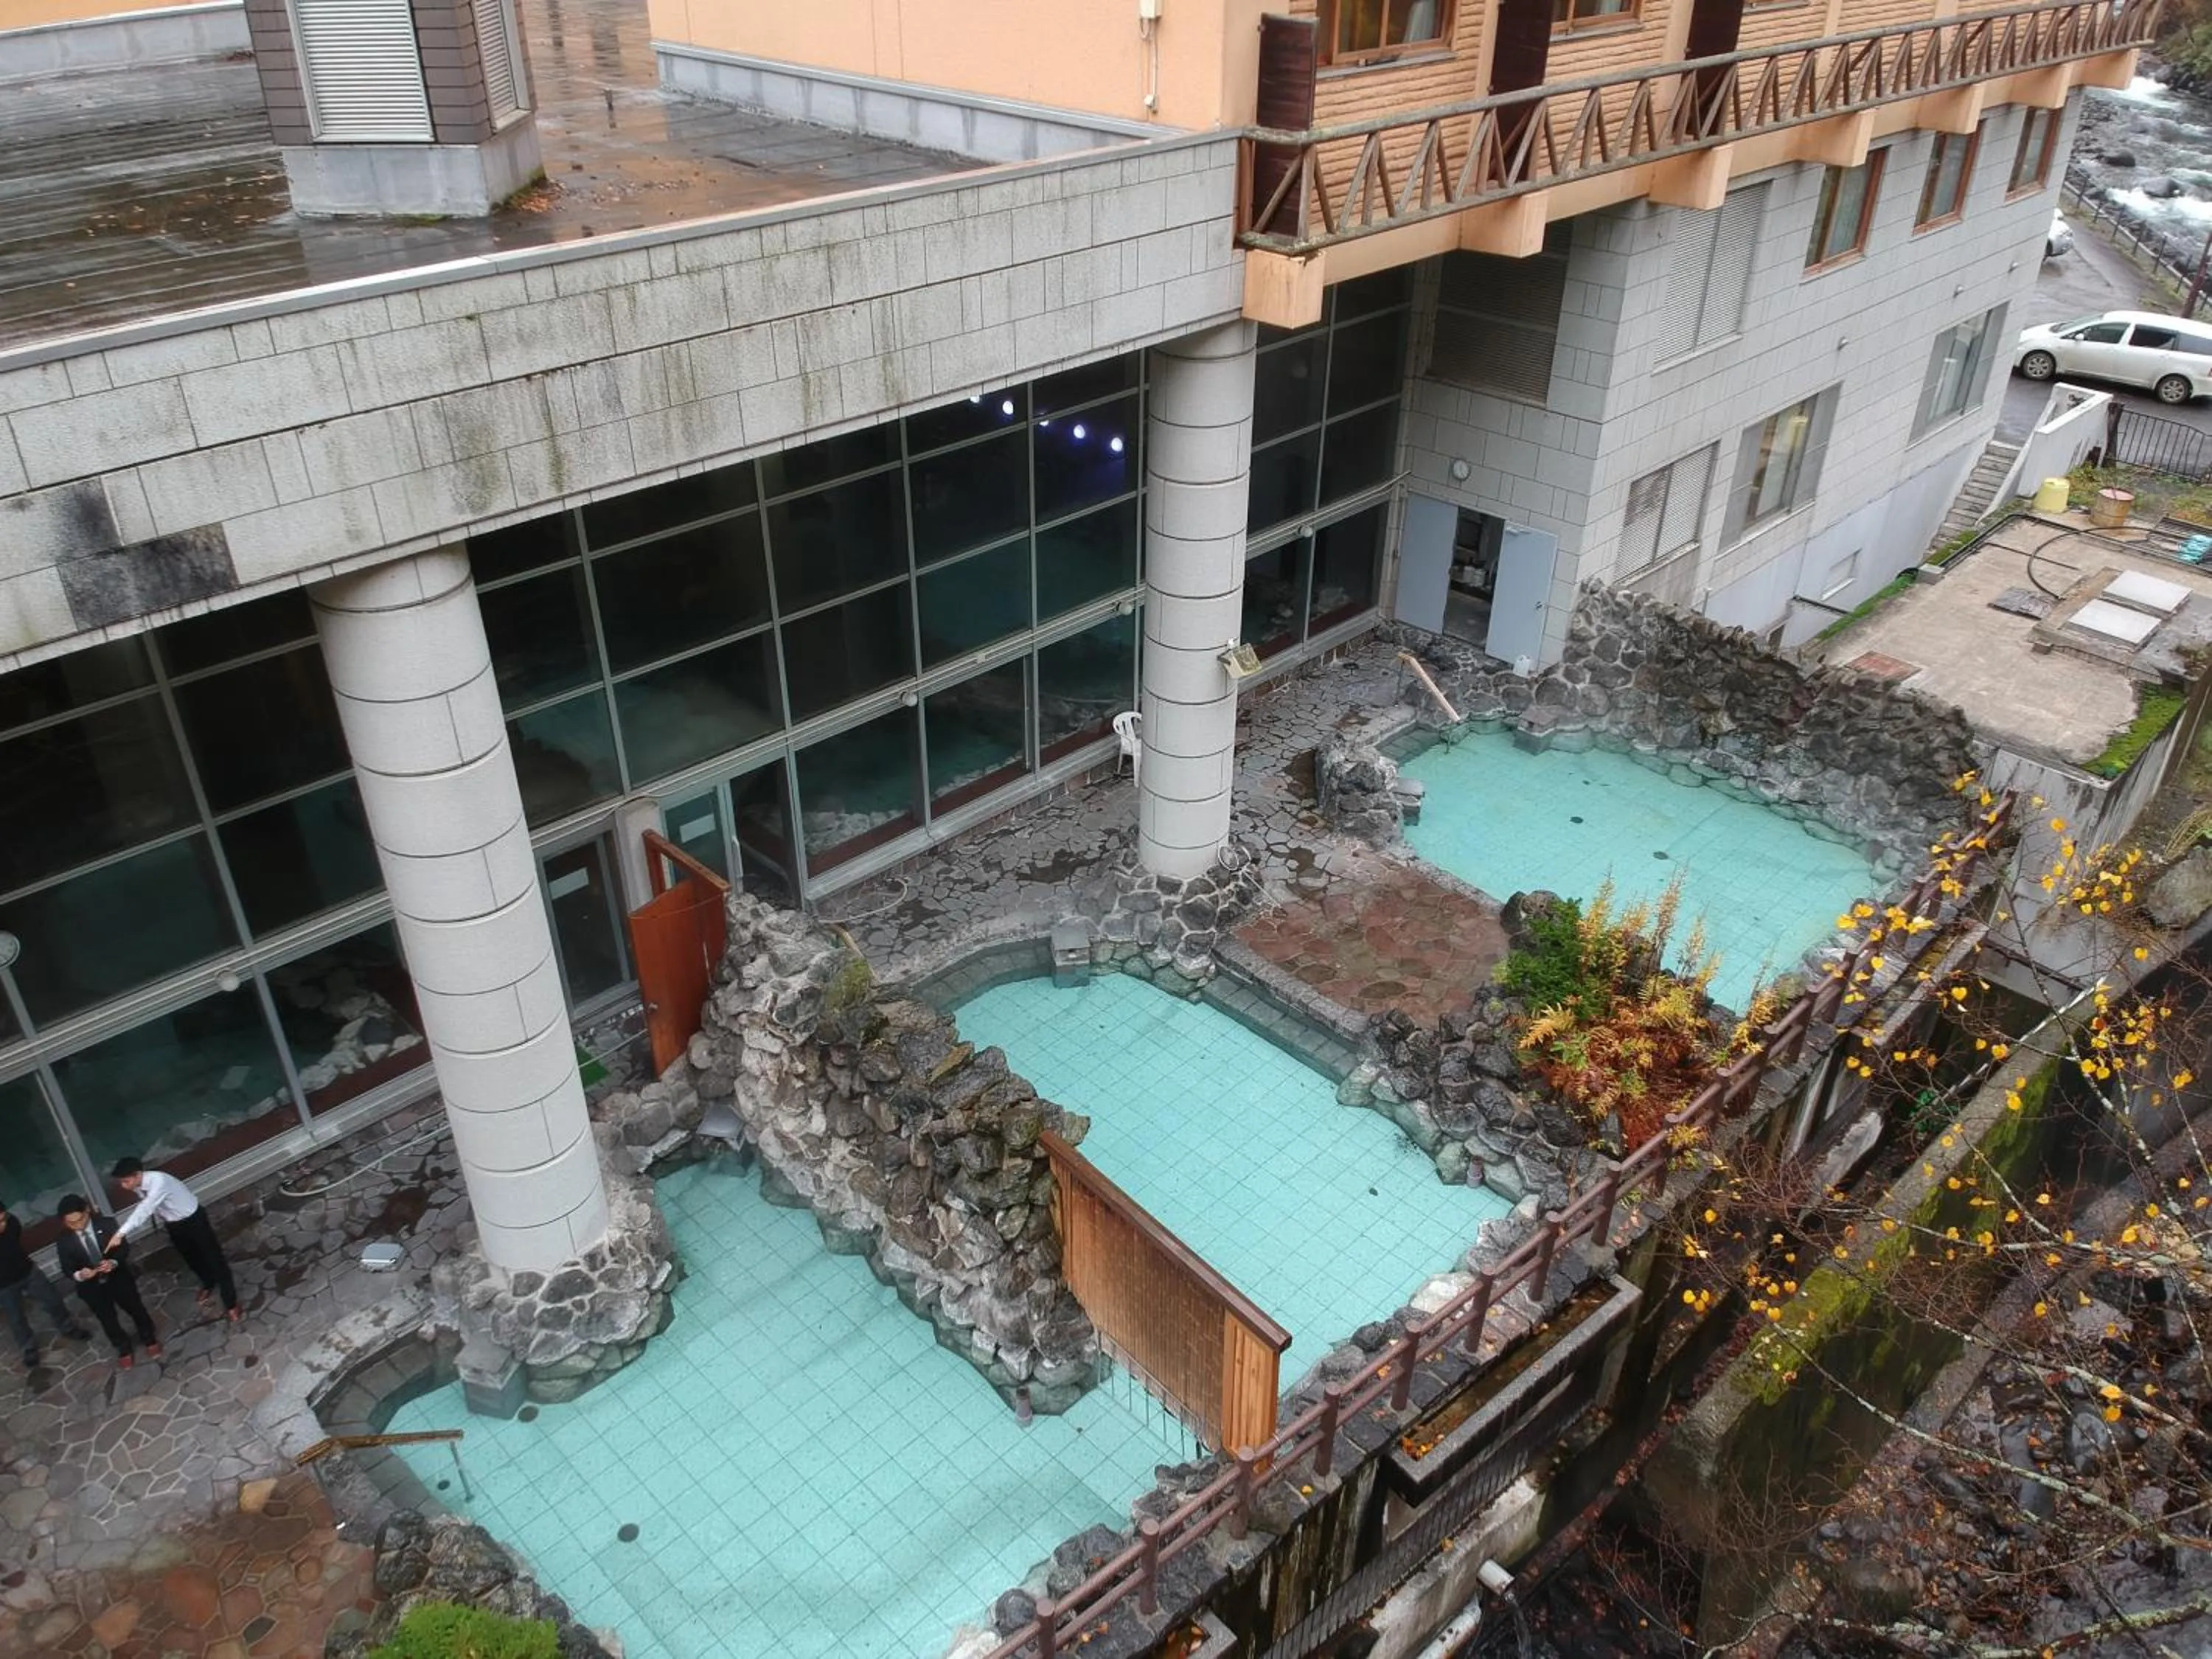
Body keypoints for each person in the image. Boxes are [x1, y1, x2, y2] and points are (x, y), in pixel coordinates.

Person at [108, 1158, 240, 1321]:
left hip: (193, 1220)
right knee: (191, 1258)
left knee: (215, 1259)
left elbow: (145, 1208)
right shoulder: (139, 1186)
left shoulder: (159, 1182)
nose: (123, 1186)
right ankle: (208, 1282)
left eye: (126, 1181)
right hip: (174, 1224)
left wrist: (121, 1233)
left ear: (137, 1175)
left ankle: (231, 1303)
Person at [55, 1196, 161, 1370]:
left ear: (87, 1210)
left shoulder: (107, 1224)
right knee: (107, 1319)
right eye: (71, 1223)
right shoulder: (63, 1240)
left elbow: (123, 1248)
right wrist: (80, 1275)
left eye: (80, 1220)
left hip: (118, 1278)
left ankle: (148, 1337)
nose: (78, 1225)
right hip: (92, 1287)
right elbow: (67, 1268)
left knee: (135, 1308)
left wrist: (113, 1262)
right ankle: (123, 1347)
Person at [0, 1195, 91, 1370]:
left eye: (4, 1219)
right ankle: (28, 1348)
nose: (3, 1224)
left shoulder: (12, 1224)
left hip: (28, 1272)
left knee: (53, 1300)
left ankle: (68, 1327)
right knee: (16, 1318)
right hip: (3, 1286)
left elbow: (15, 1240)